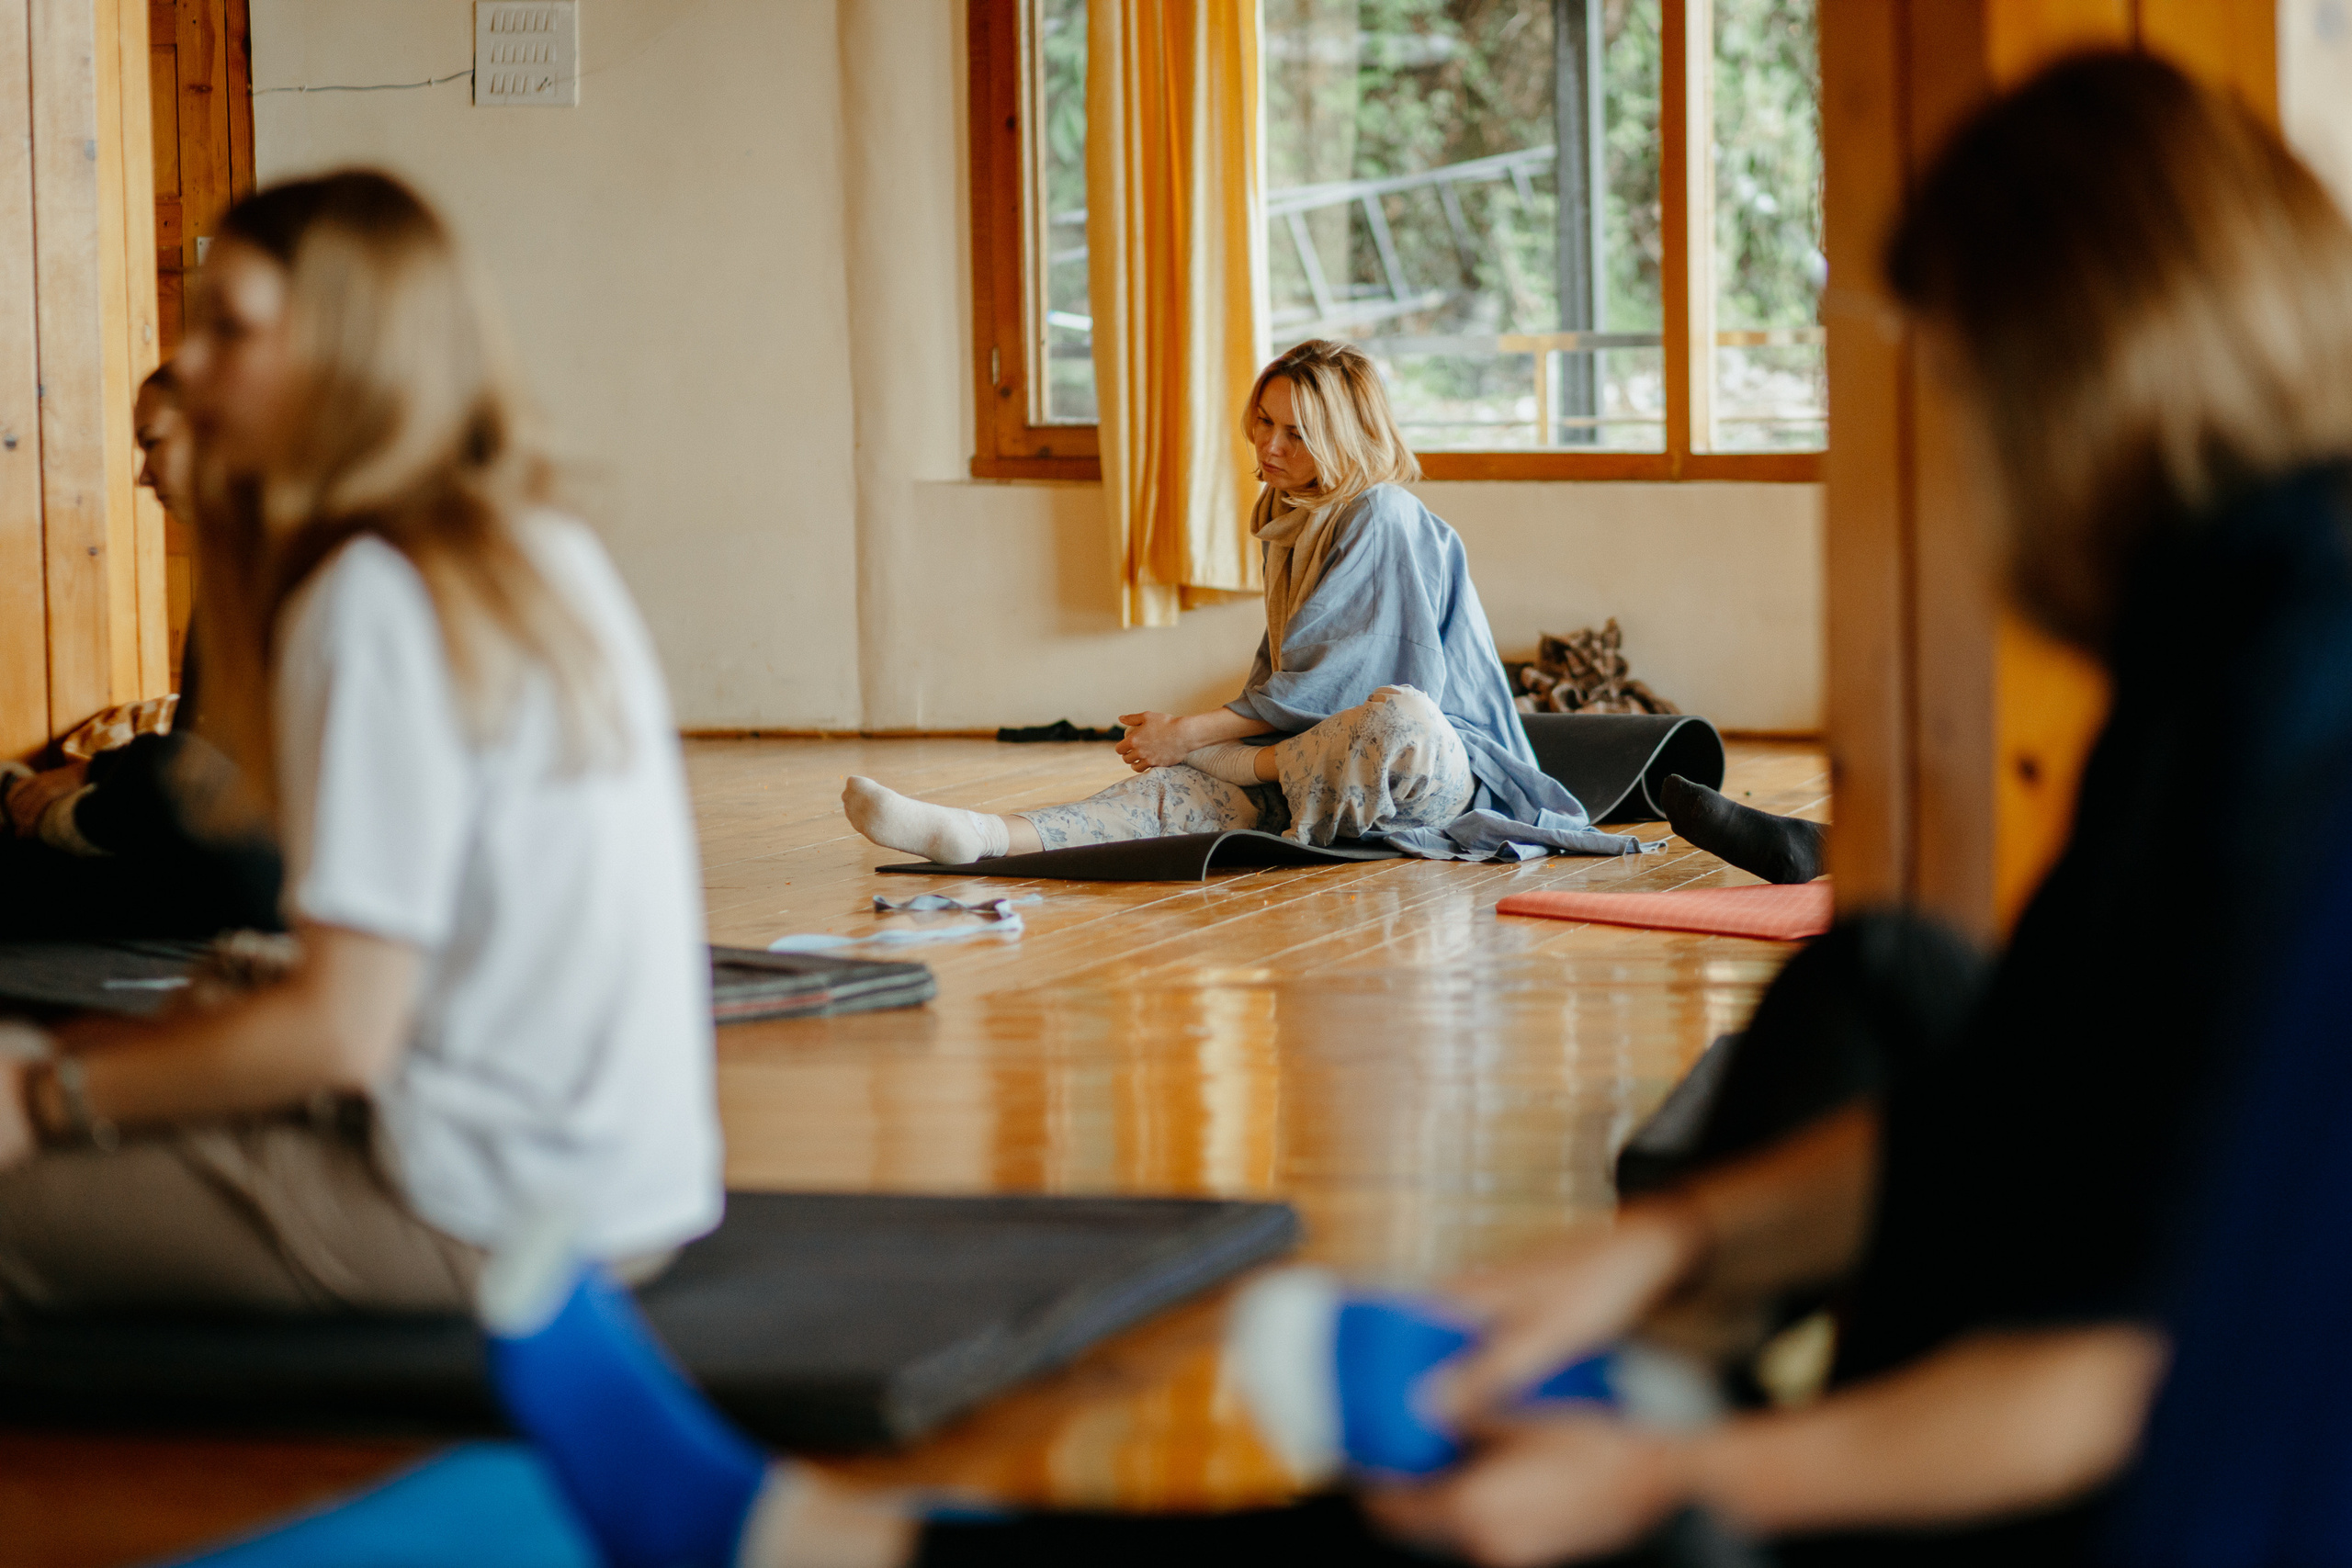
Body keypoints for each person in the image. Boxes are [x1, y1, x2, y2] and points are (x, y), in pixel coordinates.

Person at [470, 51, 2352, 1568]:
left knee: (1494, 1525)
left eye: (1948, 400)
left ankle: (850, 1551)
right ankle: (1658, 1385)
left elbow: (2155, 1366)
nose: (1943, 475)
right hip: (2085, 1368)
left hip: (2159, 1487)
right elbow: (2050, 1119)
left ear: (2080, 380)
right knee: (1893, 986)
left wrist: (1682, 1489)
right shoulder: (2224, 644)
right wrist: (1652, 1257)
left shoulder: (2295, 734)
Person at [0, 170, 720, 1313]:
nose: (187, 366)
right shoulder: (529, 542)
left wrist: (51, 1096)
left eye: (229, 328)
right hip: (630, 1189)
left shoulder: (373, 594)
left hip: (492, 1218)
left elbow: (342, 1034)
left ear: (348, 351)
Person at [842, 340, 1642, 865]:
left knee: (1397, 718)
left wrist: (1196, 731)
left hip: (1425, 771)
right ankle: (984, 837)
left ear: (1343, 439)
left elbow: (1335, 686)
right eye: (1264, 422)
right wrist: (1195, 746)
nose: (1267, 446)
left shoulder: (1383, 512)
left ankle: (1250, 768)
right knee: (1182, 789)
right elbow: (1294, 684)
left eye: (1293, 433)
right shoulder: (1287, 519)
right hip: (1320, 767)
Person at [0, 364, 287, 939]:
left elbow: (198, 770)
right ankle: (35, 822)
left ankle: (49, 822)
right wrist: (91, 774)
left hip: (281, 872)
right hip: (197, 859)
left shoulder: (289, 563)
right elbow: (209, 747)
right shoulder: (226, 573)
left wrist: (100, 775)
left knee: (165, 767)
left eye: (152, 442)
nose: (142, 475)